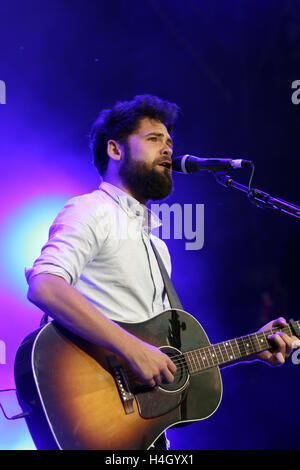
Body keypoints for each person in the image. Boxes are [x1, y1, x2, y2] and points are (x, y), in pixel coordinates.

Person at [25, 94, 299, 450]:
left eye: (170, 142)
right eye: (154, 139)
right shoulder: (91, 211)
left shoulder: (158, 247)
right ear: (115, 149)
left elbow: (164, 363)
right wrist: (133, 350)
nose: (168, 149)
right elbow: (45, 287)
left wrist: (252, 347)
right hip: (93, 421)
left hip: (141, 430)